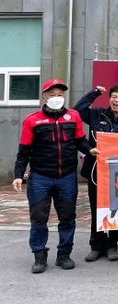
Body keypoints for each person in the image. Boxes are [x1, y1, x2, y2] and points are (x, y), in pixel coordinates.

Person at [13, 79, 97, 274]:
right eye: (52, 94)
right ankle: (39, 255)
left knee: (67, 217)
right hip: (40, 178)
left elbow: (80, 141)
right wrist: (18, 175)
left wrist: (90, 150)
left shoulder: (73, 116)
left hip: (67, 177)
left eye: (60, 94)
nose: (57, 97)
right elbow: (24, 151)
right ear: (44, 96)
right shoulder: (32, 120)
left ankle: (64, 255)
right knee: (38, 218)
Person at [74, 84, 118, 262]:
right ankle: (96, 246)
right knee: (96, 208)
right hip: (96, 170)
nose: (116, 101)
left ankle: (112, 245)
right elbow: (77, 110)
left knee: (117, 209)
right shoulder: (97, 114)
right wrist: (95, 93)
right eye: (113, 97)